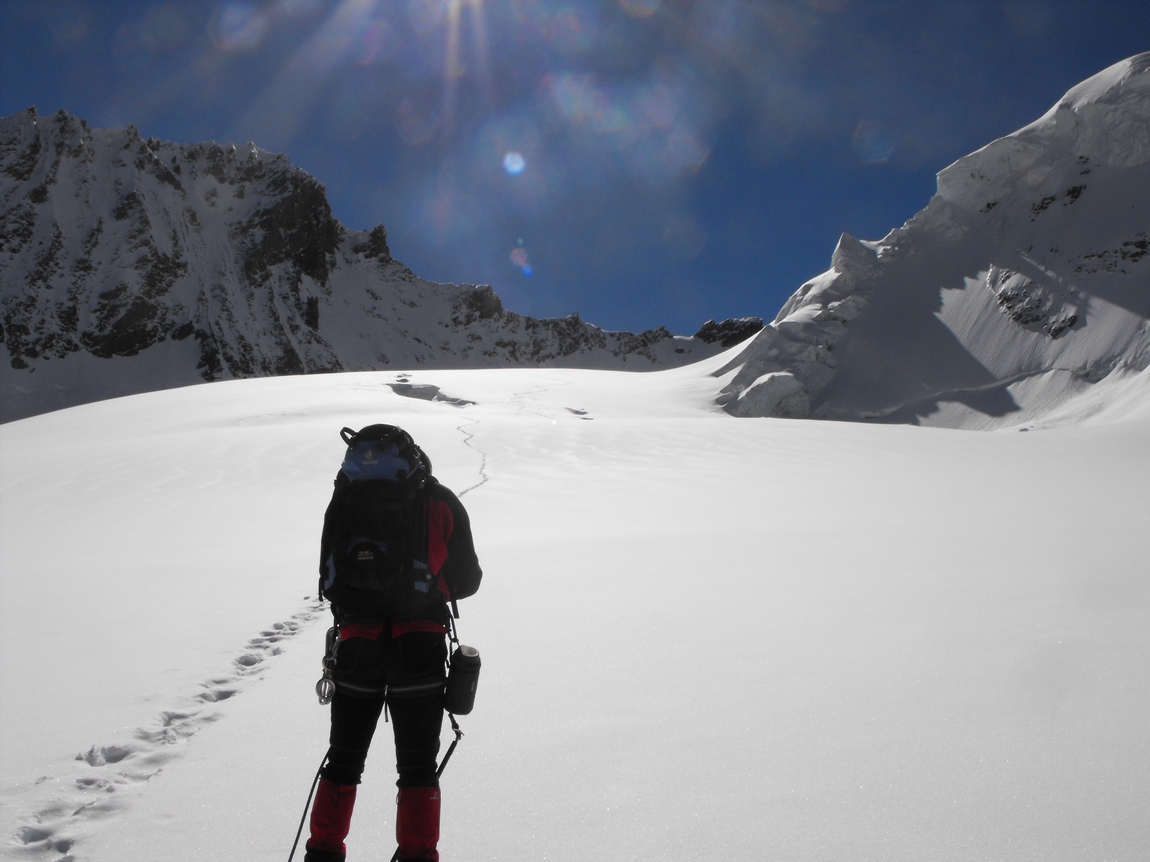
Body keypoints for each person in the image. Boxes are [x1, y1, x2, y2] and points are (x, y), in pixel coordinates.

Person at [305, 425, 482, 862]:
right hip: (420, 648)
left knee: (343, 760)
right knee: (418, 768)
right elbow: (468, 580)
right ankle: (417, 855)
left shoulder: (344, 498)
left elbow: (329, 577)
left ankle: (323, 852)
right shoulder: (438, 500)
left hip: (355, 646)